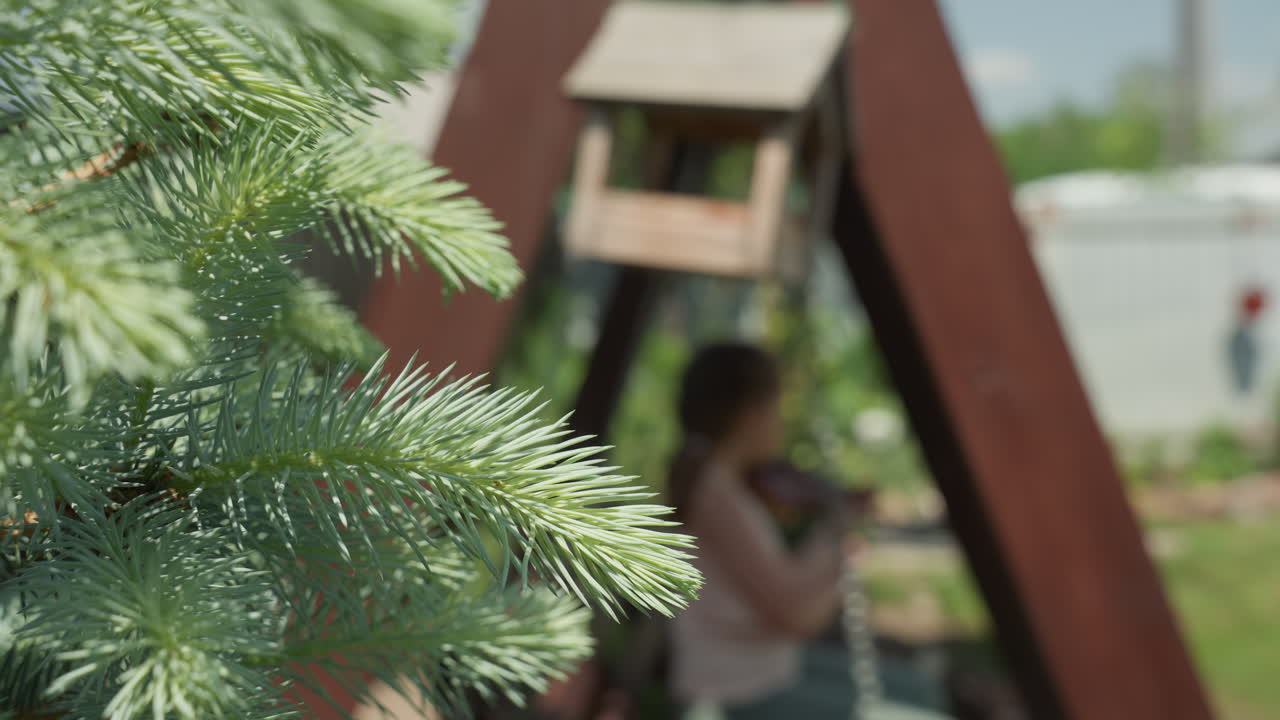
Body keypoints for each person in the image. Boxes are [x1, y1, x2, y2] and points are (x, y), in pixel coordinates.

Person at [667, 342, 855, 720]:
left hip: (755, 674)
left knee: (920, 691)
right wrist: (845, 568)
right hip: (732, 693)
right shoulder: (716, 496)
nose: (781, 420)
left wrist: (830, 537)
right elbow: (795, 614)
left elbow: (783, 580)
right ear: (749, 412)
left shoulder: (722, 485)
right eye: (776, 404)